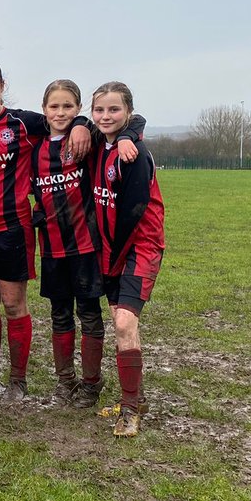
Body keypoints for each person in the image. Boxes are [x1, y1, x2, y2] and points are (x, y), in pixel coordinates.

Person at [0, 60, 90, 402]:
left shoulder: (24, 123)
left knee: (13, 305)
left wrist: (83, 124)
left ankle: (18, 381)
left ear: (2, 85)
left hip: (12, 228)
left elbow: (64, 117)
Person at [32, 79, 143, 408]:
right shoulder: (36, 143)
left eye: (68, 106)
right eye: (54, 106)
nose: (61, 112)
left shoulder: (90, 139)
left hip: (85, 247)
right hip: (52, 247)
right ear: (44, 110)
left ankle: (91, 383)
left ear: (79, 109)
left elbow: (133, 121)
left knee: (90, 315)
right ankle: (65, 381)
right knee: (60, 315)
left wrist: (122, 135)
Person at [90, 81, 165, 438]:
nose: (106, 116)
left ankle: (131, 409)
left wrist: (131, 136)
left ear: (129, 113)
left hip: (138, 246)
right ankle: (135, 397)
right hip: (110, 247)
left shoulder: (133, 154)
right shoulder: (97, 143)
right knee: (120, 323)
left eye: (114, 110)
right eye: (100, 110)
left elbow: (134, 210)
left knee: (123, 322)